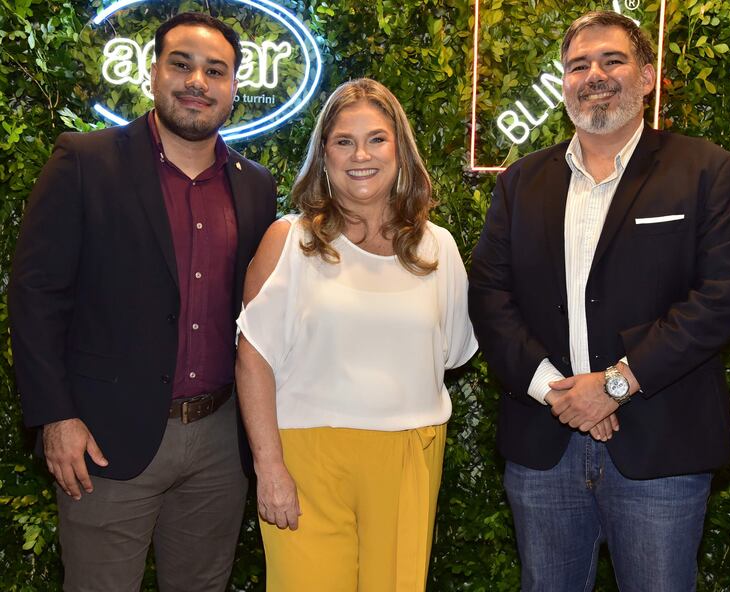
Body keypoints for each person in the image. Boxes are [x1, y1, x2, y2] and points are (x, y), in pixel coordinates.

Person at [468, 10, 730, 592]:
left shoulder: (705, 170)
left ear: (647, 76)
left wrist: (615, 385)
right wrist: (558, 392)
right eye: (578, 65)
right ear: (564, 83)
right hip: (544, 447)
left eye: (612, 60)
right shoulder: (520, 182)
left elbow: (720, 298)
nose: (594, 74)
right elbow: (490, 298)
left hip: (661, 449)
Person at [9, 12, 277, 591]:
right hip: (104, 441)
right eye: (181, 64)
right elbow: (36, 296)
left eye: (216, 70)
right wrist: (55, 416)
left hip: (218, 443)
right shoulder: (86, 161)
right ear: (153, 72)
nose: (197, 82)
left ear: (234, 86)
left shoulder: (255, 185)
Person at [235, 78, 477, 591]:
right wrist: (268, 466)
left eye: (376, 139)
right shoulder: (289, 241)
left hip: (410, 453)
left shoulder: (440, 250)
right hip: (304, 461)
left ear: (400, 150)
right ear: (324, 154)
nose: (360, 154)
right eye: (344, 141)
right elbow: (251, 357)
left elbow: (452, 352)